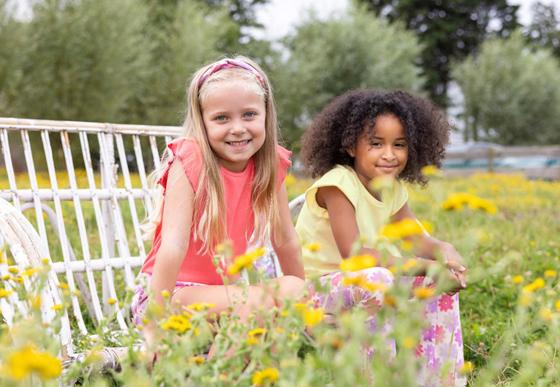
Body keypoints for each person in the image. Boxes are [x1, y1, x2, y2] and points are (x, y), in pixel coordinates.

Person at [132, 56, 305, 357]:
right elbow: (173, 245)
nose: (237, 128)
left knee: (291, 291)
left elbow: (285, 240)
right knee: (256, 302)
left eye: (249, 114)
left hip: (224, 299)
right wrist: (154, 327)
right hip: (170, 295)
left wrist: (302, 303)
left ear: (266, 114)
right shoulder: (190, 159)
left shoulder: (270, 164)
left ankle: (243, 374)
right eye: (222, 118)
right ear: (203, 121)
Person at [295, 89, 467, 386]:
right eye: (376, 144)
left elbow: (417, 240)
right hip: (314, 291)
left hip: (363, 283)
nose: (389, 154)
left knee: (432, 283)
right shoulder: (338, 184)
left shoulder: (392, 188)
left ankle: (439, 380)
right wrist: (424, 265)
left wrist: (444, 253)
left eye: (399, 145)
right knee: (377, 278)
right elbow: (357, 259)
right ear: (351, 146)